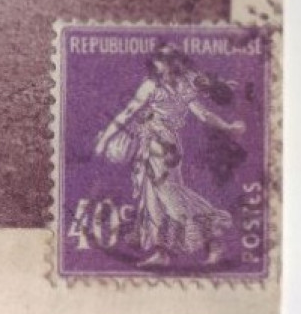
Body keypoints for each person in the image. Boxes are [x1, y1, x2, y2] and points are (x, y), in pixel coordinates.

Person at [93, 45, 245, 268]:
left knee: (170, 196)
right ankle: (161, 252)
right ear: (155, 63)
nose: (164, 63)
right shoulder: (160, 85)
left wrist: (227, 126)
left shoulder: (180, 85)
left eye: (169, 59)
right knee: (153, 197)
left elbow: (203, 113)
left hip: (162, 146)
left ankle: (214, 240)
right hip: (154, 144)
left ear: (175, 62)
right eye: (161, 59)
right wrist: (106, 139)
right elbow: (128, 113)